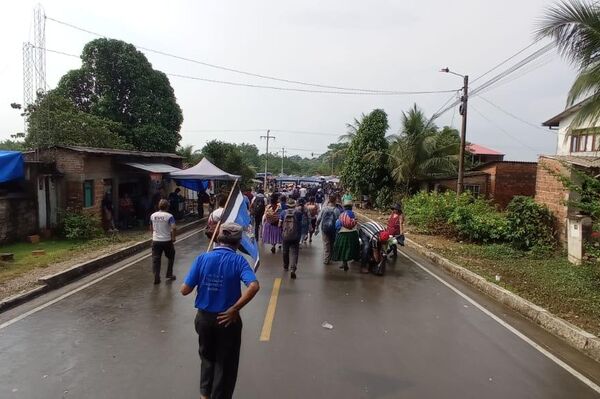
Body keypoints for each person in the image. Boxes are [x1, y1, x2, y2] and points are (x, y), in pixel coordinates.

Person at [180, 223, 260, 399]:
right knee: (225, 365)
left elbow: (184, 290)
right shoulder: (239, 261)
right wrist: (235, 309)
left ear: (218, 238)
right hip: (228, 320)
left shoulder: (202, 259)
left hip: (204, 320)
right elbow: (254, 286)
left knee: (207, 360)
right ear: (238, 243)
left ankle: (204, 396)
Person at [150, 199, 177, 284]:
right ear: (167, 207)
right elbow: (174, 227)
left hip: (156, 240)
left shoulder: (153, 215)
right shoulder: (169, 216)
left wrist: (153, 235)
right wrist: (173, 237)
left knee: (156, 259)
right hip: (166, 240)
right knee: (171, 256)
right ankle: (169, 274)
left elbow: (150, 227)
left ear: (159, 206)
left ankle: (156, 276)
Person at [332, 199, 360, 271]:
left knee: (343, 249)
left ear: (344, 207)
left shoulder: (341, 215)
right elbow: (357, 224)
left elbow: (337, 225)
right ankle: (354, 259)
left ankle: (344, 263)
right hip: (353, 234)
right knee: (352, 248)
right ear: (351, 207)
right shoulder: (355, 214)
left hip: (343, 234)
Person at [280, 198, 303, 279]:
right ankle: (293, 269)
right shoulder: (298, 213)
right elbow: (300, 224)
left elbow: (280, 224)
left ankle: (286, 266)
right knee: (294, 252)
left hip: (285, 235)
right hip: (295, 235)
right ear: (294, 205)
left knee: (285, 251)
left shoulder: (283, 213)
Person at [315, 194, 341, 265]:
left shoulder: (324, 209)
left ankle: (326, 260)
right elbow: (339, 222)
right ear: (335, 201)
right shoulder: (337, 210)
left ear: (329, 201)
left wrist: (317, 227)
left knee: (326, 243)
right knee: (332, 243)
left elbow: (318, 219)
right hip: (333, 229)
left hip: (324, 228)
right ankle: (331, 257)